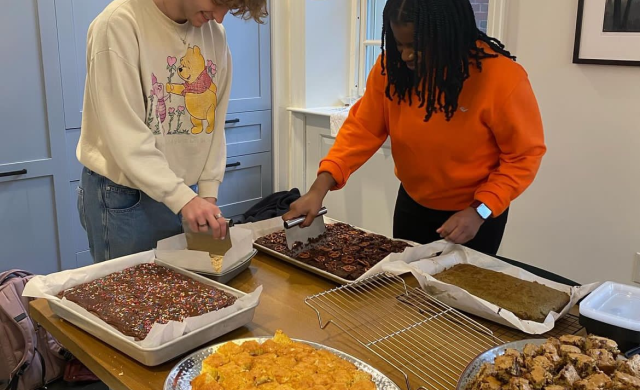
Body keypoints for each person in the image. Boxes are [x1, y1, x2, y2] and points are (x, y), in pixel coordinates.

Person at [283, 0, 546, 256]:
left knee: (457, 297)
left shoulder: (502, 78)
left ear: (448, 37)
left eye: (416, 46)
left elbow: (523, 157)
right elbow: (362, 130)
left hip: (476, 213)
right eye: (399, 44)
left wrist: (480, 212)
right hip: (412, 205)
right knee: (404, 289)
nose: (406, 55)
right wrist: (319, 188)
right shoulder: (391, 69)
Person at [76, 0, 267, 262]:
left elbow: (214, 120)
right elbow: (125, 136)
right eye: (218, 2)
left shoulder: (214, 33)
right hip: (125, 196)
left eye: (230, 8)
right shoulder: (118, 24)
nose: (220, 18)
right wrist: (183, 198)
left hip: (183, 193)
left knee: (181, 294)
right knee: (133, 298)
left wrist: (207, 193)